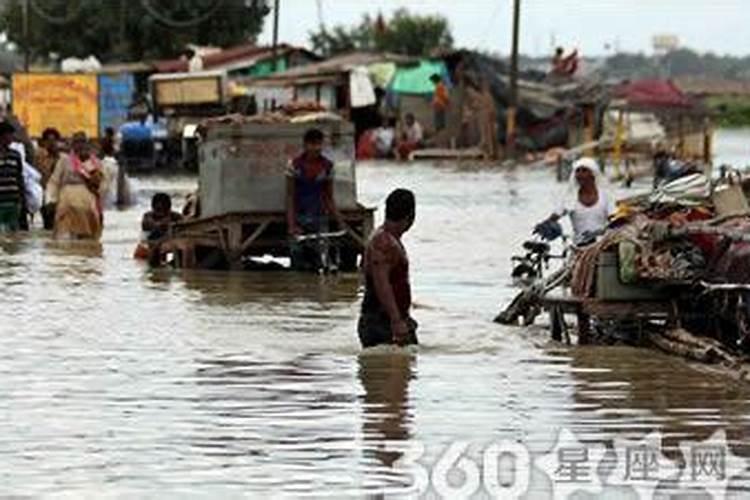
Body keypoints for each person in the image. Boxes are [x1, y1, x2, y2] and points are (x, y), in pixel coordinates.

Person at [358, 189, 418, 348]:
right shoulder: (383, 242)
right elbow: (382, 284)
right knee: (389, 371)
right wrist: (396, 321)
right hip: (382, 323)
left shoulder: (386, 239)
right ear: (411, 216)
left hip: (388, 320)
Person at [286, 128, 343, 270]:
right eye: (313, 144)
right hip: (300, 217)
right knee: (297, 260)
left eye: (319, 144)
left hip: (319, 218)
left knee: (321, 261)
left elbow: (329, 197)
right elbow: (290, 197)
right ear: (305, 145)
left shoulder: (327, 167)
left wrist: (341, 222)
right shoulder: (294, 166)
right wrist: (292, 225)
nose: (317, 148)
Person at [537, 157, 614, 245]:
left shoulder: (605, 196)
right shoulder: (570, 198)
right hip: (580, 245)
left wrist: (600, 233)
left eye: (584, 171)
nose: (580, 174)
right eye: (577, 171)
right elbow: (555, 216)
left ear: (593, 175)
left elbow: (614, 220)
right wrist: (543, 226)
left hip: (603, 245)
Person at [46, 132, 106, 240]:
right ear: (72, 145)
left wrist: (88, 163)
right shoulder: (64, 161)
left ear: (87, 144)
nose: (80, 145)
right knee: (65, 237)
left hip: (87, 205)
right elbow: (54, 181)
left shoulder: (95, 162)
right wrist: (51, 200)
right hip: (67, 203)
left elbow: (100, 184)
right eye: (77, 142)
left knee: (88, 239)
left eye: (83, 142)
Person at [0, 121, 25, 232]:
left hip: (13, 202)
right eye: (9, 135)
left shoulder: (15, 155)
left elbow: (19, 177)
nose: (12, 138)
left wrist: (21, 200)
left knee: (13, 235)